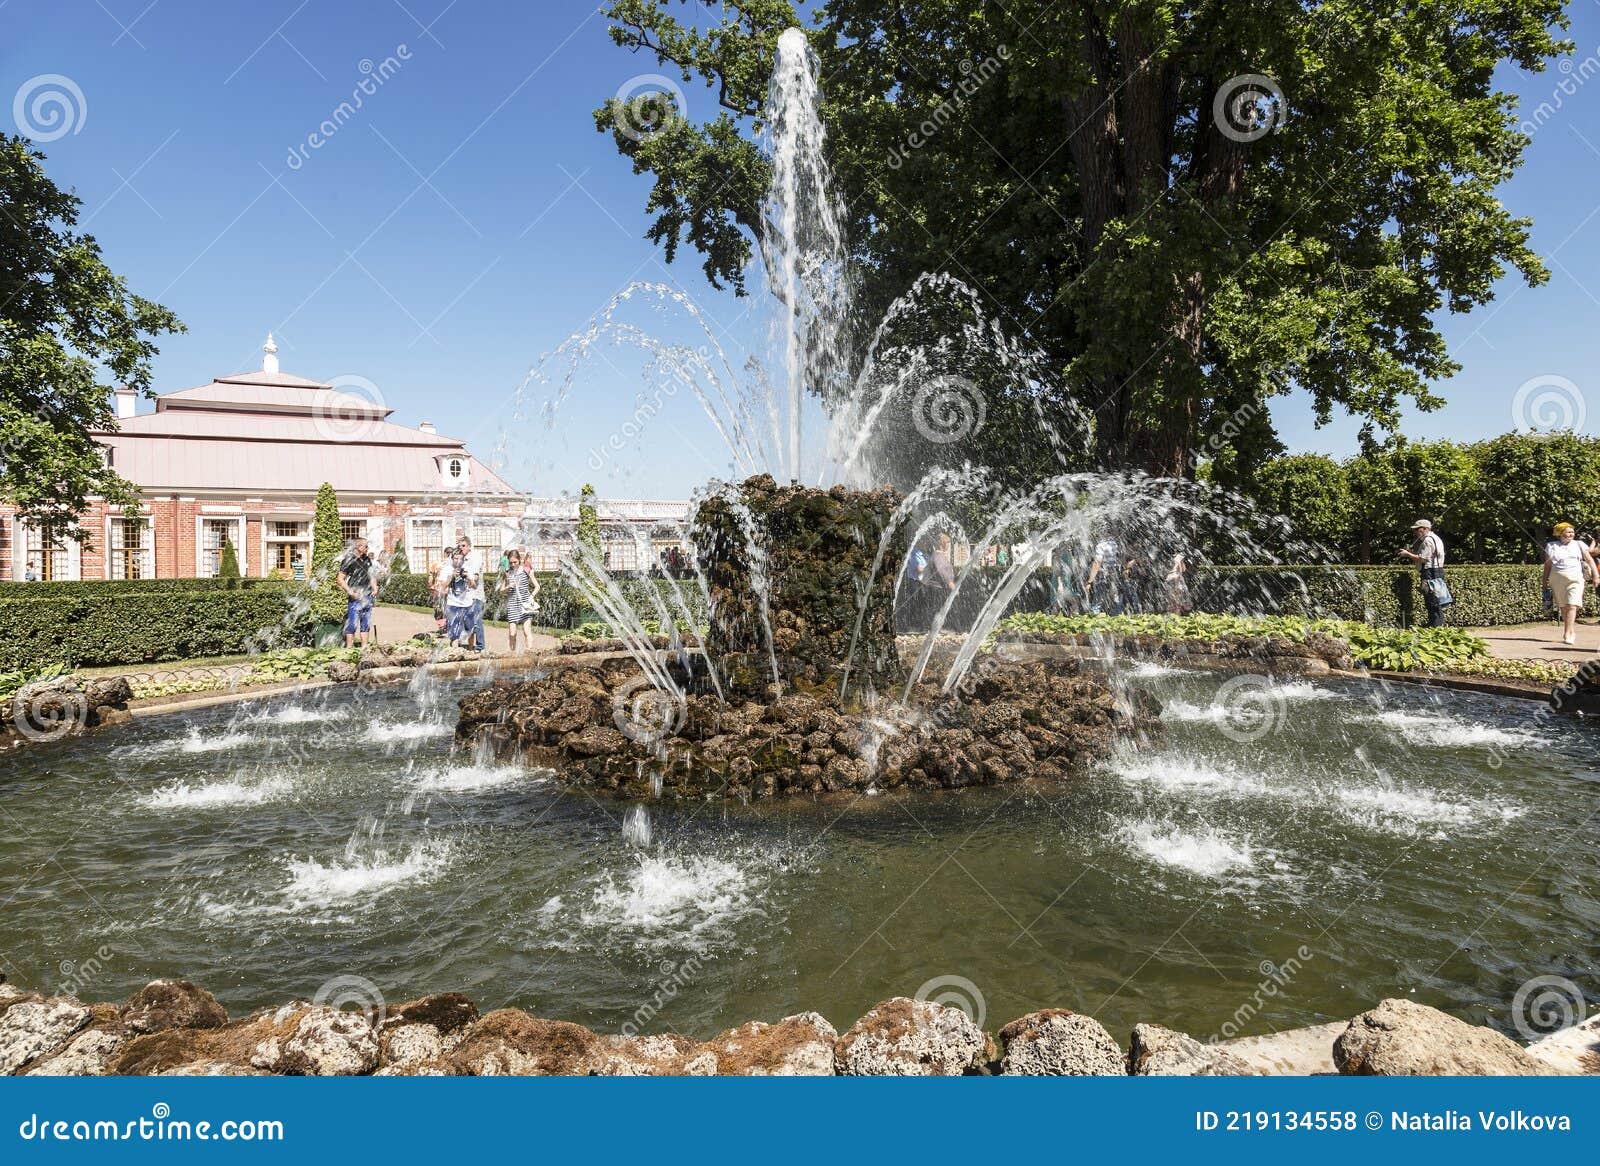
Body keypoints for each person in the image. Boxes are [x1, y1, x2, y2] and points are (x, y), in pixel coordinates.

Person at [1543, 522, 1595, 646]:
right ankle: (1570, 631)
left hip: (1576, 578)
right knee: (1563, 606)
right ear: (1560, 533)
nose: (1571, 533)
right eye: (1568, 531)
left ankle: (1567, 633)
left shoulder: (1579, 544)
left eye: (1572, 531)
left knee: (1572, 605)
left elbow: (1589, 560)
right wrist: (1544, 580)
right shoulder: (1551, 545)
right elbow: (1548, 565)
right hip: (1557, 579)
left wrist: (1596, 576)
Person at [1396, 518, 1448, 628]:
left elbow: (1423, 559)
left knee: (1432, 600)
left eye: (1416, 529)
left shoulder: (1428, 540)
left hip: (1430, 572)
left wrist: (1407, 554)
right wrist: (1411, 553)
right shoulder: (1436, 538)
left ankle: (1435, 626)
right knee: (1435, 599)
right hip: (1437, 571)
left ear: (1424, 529)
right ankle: (1436, 625)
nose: (1414, 532)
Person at [500, 548, 540, 653]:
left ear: (519, 560)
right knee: (512, 633)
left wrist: (531, 596)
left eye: (515, 562)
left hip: (525, 605)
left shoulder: (526, 571)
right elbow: (501, 590)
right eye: (511, 562)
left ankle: (530, 653)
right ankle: (512, 656)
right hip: (512, 605)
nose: (513, 564)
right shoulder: (507, 573)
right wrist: (508, 587)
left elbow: (537, 587)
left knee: (527, 631)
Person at [337, 537, 375, 647]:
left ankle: (364, 648)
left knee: (366, 624)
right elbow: (340, 579)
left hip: (367, 596)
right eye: (366, 546)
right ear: (358, 547)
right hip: (355, 597)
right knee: (352, 625)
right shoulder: (348, 560)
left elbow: (371, 576)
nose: (368, 548)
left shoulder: (367, 559)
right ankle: (349, 649)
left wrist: (375, 587)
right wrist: (350, 592)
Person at [454, 532, 486, 650]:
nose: (460, 548)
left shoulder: (475, 557)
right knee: (467, 623)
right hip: (466, 596)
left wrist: (466, 575)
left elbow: (475, 577)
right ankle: (470, 646)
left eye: (463, 546)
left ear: (468, 546)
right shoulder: (462, 559)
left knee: (477, 622)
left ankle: (480, 647)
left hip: (476, 595)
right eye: (459, 546)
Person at [443, 547, 474, 646]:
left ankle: (470, 650)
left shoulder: (468, 568)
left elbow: (474, 585)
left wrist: (468, 577)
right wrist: (451, 576)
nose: (458, 561)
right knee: (454, 631)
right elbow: (443, 586)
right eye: (456, 558)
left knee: (470, 629)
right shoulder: (447, 568)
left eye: (460, 558)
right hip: (452, 604)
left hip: (467, 603)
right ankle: (454, 651)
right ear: (452, 558)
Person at [1085, 533, 1122, 615]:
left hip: (1103, 576)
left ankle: (1094, 624)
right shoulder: (1115, 543)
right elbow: (1120, 559)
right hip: (1114, 575)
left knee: (1097, 603)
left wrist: (1090, 581)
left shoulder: (1101, 545)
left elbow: (1097, 563)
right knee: (1115, 599)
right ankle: (1119, 619)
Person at [1164, 550, 1193, 614]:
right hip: (1176, 578)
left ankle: (1171, 617)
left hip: (1169, 578)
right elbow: (1182, 569)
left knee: (1171, 600)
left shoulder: (1166, 556)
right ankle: (1177, 617)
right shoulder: (1178, 557)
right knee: (1177, 600)